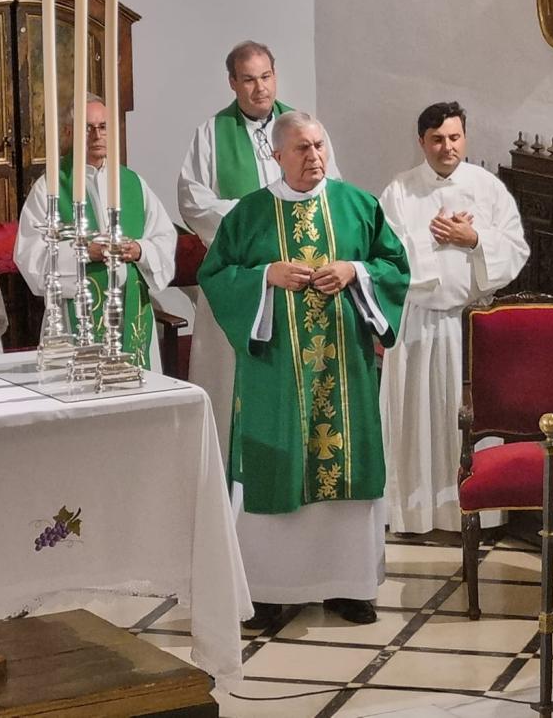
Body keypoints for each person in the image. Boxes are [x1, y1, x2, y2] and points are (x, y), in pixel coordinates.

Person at [198, 111, 408, 627]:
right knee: (277, 466)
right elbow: (216, 275)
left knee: (346, 467)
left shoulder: (357, 205)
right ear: (276, 155)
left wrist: (354, 270)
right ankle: (269, 592)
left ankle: (348, 587)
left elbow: (395, 267)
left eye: (319, 146)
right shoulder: (249, 214)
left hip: (345, 369)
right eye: (301, 149)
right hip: (276, 374)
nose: (314, 157)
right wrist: (265, 277)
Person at [178, 40, 343, 459]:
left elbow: (330, 189)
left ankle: (293, 463)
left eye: (266, 77)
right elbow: (193, 200)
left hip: (299, 275)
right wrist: (257, 219)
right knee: (230, 384)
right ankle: (230, 474)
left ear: (275, 75)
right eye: (249, 79)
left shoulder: (303, 129)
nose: (260, 88)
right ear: (232, 83)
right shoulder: (211, 134)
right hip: (242, 280)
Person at [378, 102, 529, 534]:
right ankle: (413, 510)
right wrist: (435, 240)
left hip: (471, 324)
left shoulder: (487, 187)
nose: (448, 147)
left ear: (465, 137)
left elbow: (516, 248)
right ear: (421, 142)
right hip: (418, 323)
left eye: (455, 137)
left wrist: (474, 238)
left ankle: (476, 506)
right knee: (415, 419)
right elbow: (384, 255)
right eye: (438, 139)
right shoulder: (400, 191)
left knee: (464, 419)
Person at [15, 94, 176, 369]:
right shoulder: (50, 187)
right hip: (75, 314)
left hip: (131, 308)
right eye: (87, 128)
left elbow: (164, 238)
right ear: (69, 133)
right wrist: (85, 252)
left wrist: (139, 250)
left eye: (103, 127)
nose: (97, 135)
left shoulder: (132, 183)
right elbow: (30, 255)